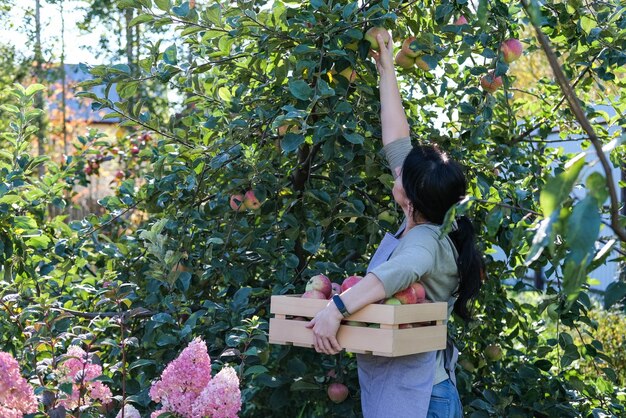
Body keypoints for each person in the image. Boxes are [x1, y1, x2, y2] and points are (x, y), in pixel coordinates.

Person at [306, 32, 484, 418]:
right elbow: (396, 136)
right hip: (409, 389)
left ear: (411, 196)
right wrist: (386, 68)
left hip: (421, 398)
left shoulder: (423, 241)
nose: (397, 170)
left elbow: (395, 273)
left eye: (403, 173)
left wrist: (336, 308)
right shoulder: (426, 215)